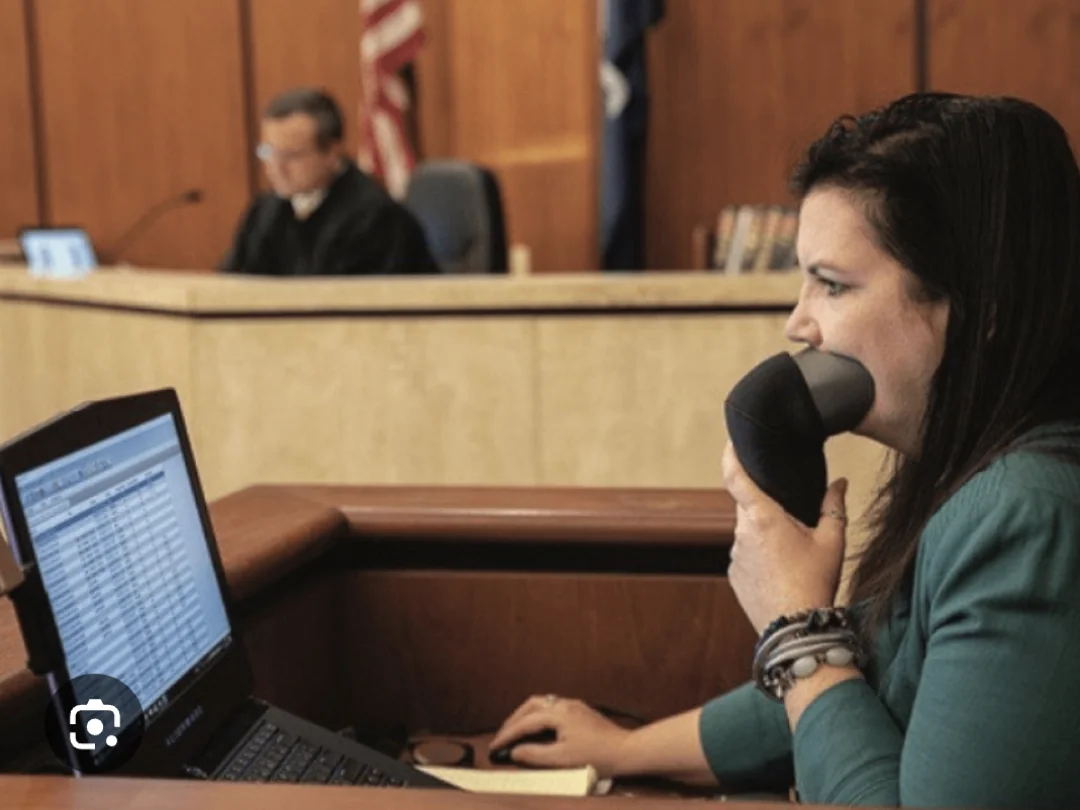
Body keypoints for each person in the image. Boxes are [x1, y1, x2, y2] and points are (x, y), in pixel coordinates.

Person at [490, 93, 1080, 809]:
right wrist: (623, 750)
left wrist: (796, 628)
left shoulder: (1025, 517)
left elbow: (832, 681)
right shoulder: (966, 472)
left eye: (832, 285)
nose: (798, 322)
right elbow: (860, 680)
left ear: (978, 314)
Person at [220, 87, 439, 276]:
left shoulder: (375, 219)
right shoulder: (264, 213)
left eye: (291, 156)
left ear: (332, 154)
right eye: (268, 152)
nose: (276, 168)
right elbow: (231, 286)